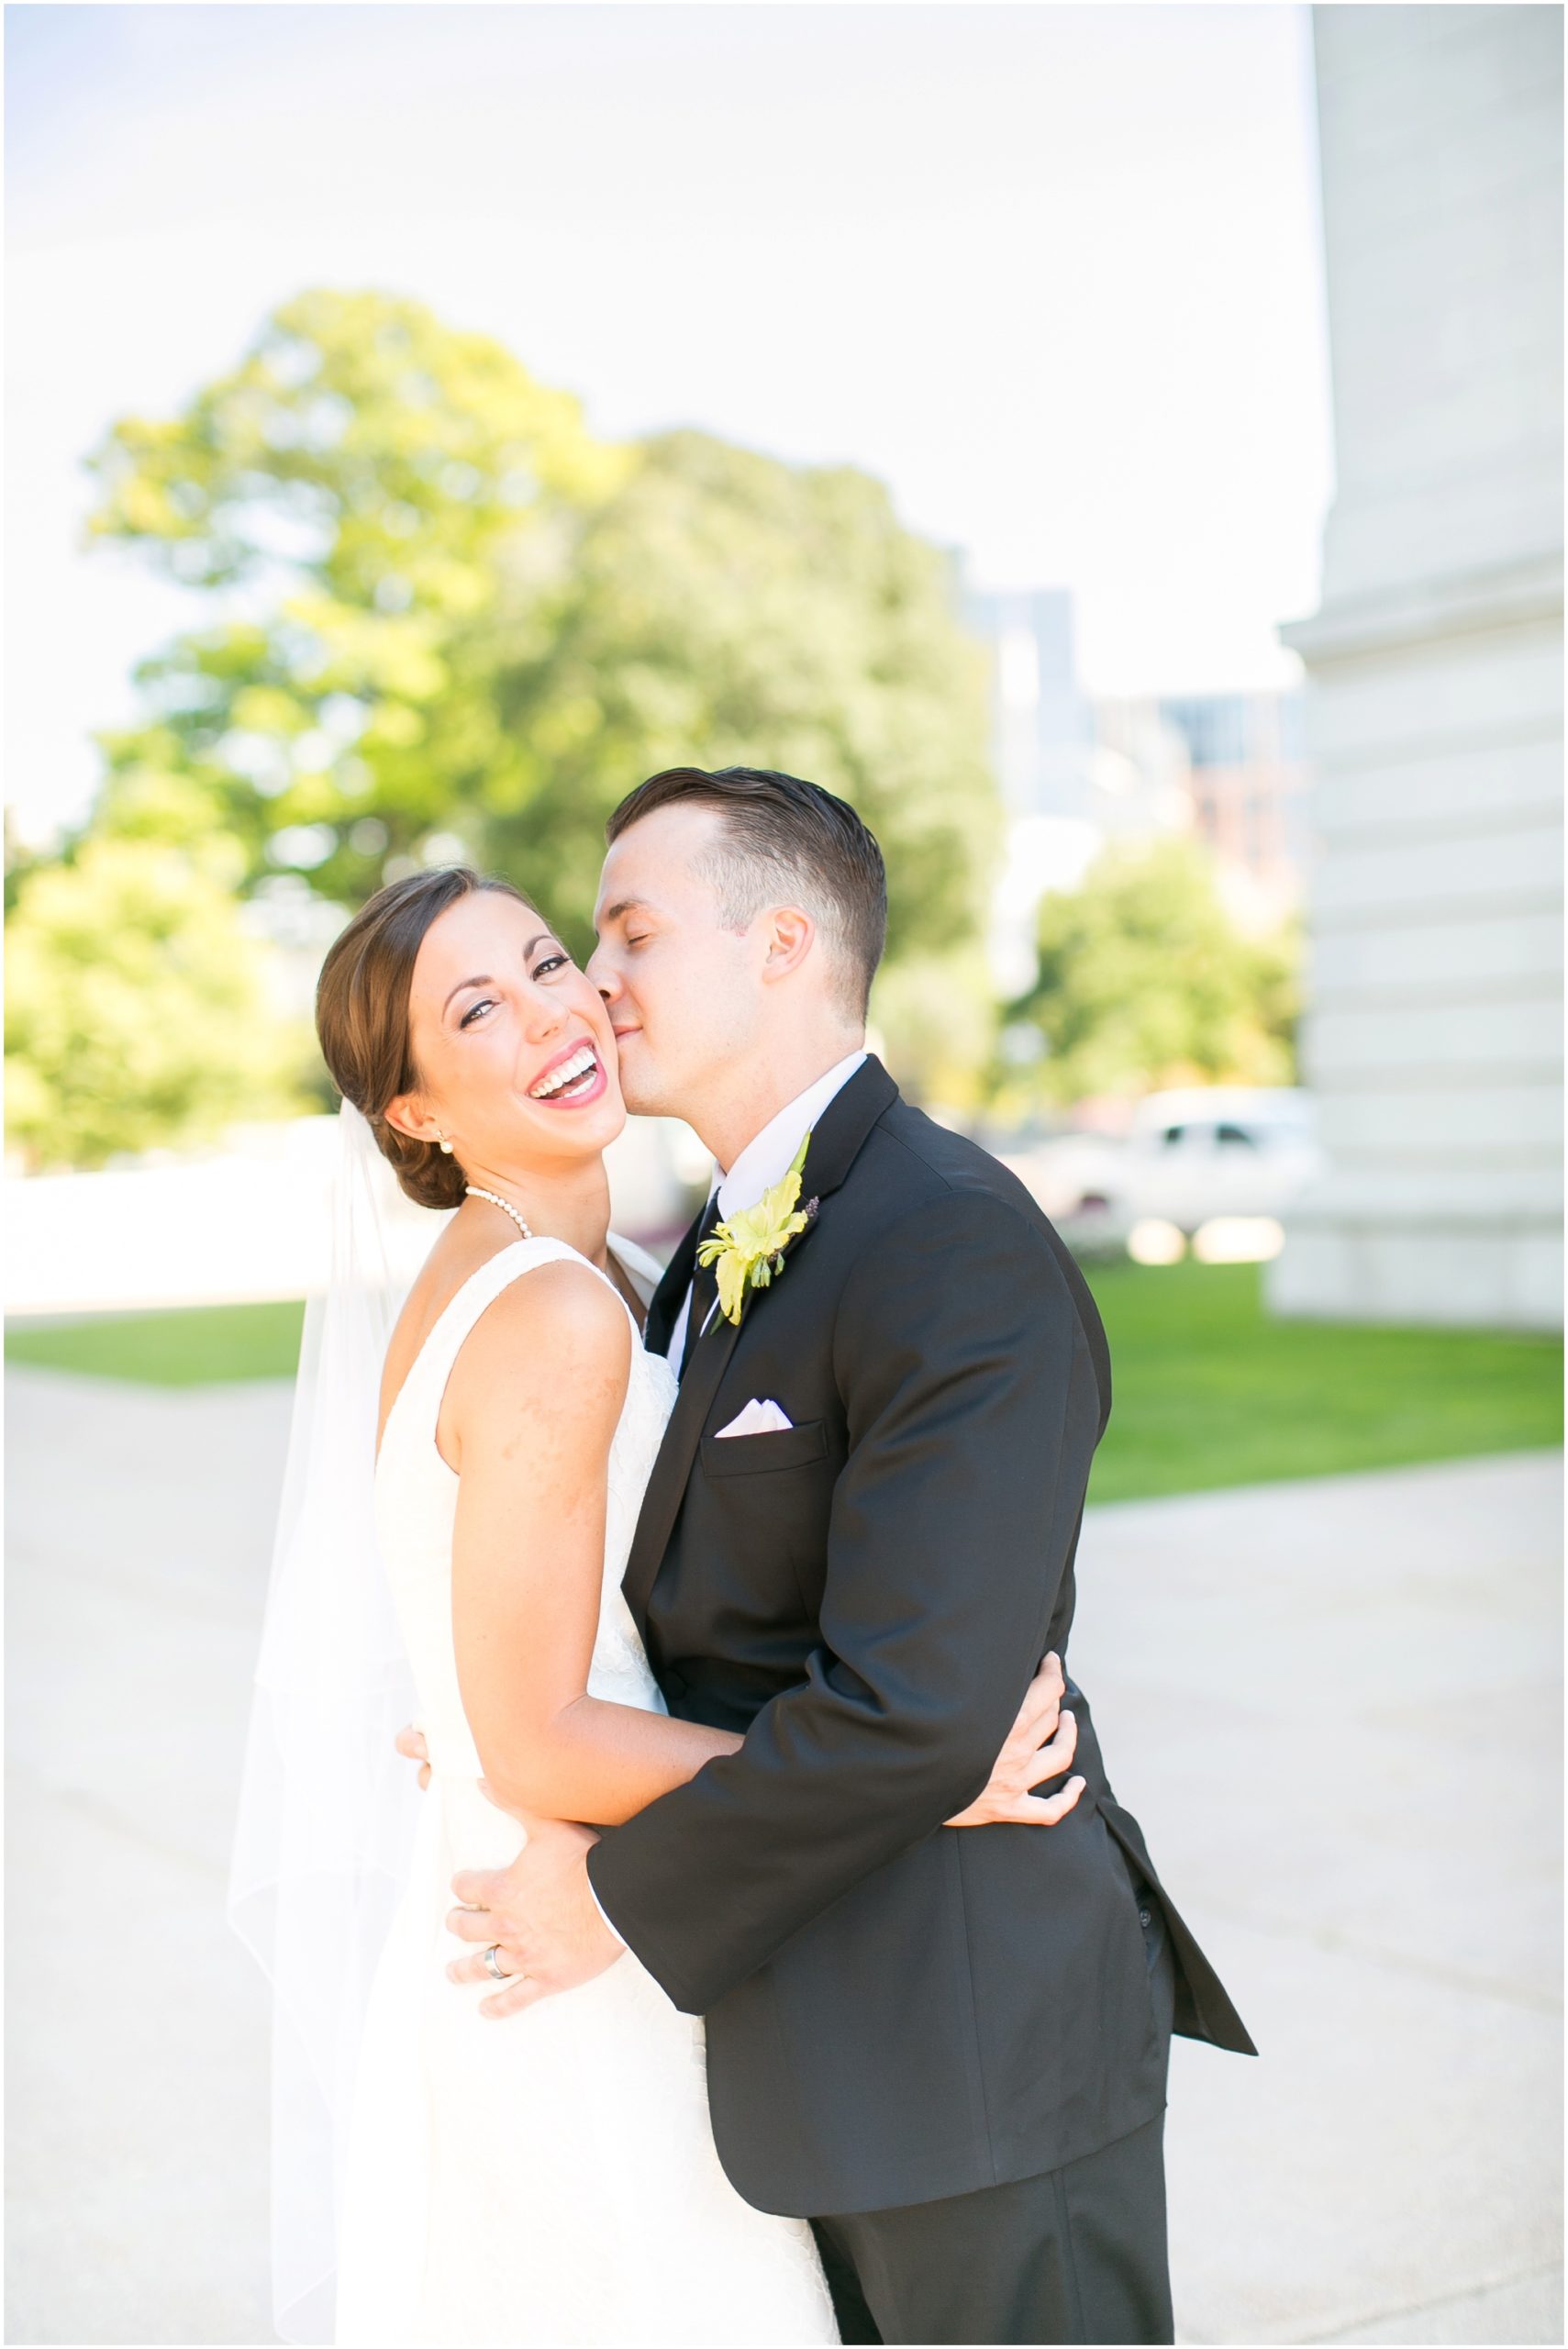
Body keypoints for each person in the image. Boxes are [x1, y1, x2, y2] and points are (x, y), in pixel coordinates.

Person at [431, 767, 1256, 2347]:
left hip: (972, 2044)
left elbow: (920, 1711)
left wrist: (607, 1891)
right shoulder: (713, 1253)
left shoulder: (945, 1238)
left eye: (631, 933)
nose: (596, 986)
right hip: (823, 2035)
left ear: (782, 945)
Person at [278, 855, 1085, 2346]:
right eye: (477, 1009)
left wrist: (463, 1717)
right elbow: (531, 1737)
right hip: (570, 1935)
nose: (549, 1011)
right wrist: (915, 1778)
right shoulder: (551, 1307)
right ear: (414, 1113)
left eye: (543, 959)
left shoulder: (576, 1268)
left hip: (551, 1894)